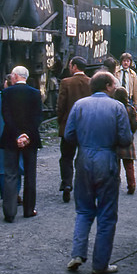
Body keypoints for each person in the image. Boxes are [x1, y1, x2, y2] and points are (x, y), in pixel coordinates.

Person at [64, 71, 132, 274]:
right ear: (108, 86)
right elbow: (126, 138)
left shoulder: (79, 105)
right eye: (113, 84)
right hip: (106, 159)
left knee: (83, 210)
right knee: (107, 214)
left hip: (84, 158)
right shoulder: (117, 107)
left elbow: (68, 135)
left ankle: (77, 254)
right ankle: (100, 264)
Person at [0, 65, 42, 223]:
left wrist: (17, 135)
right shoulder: (35, 93)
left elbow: (6, 116)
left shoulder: (6, 93)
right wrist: (27, 135)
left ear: (15, 76)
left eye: (11, 75)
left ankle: (9, 213)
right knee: (30, 175)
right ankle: (29, 210)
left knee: (10, 174)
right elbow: (37, 118)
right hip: (31, 139)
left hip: (11, 138)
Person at [56, 56, 91, 203]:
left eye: (70, 65)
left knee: (66, 157)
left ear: (75, 66)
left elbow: (61, 106)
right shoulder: (91, 82)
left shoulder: (66, 82)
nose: (69, 68)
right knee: (84, 157)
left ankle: (67, 184)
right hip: (87, 128)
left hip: (69, 127)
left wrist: (61, 122)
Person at [113, 86, 137, 194]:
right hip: (127, 139)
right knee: (129, 165)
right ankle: (131, 184)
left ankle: (115, 184)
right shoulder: (130, 109)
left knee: (115, 164)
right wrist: (131, 133)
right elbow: (135, 124)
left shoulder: (113, 108)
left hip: (115, 139)